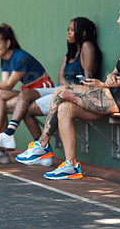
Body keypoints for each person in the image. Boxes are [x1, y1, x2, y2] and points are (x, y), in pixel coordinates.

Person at [17, 0, 120, 180]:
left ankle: (42, 143)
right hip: (109, 95)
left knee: (61, 91)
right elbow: (114, 74)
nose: (118, 20)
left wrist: (108, 84)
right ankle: (71, 165)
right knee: (64, 108)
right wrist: (109, 78)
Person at [13, 17, 102, 166]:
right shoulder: (69, 54)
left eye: (72, 30)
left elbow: (88, 77)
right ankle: (40, 149)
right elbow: (60, 78)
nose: (68, 33)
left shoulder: (87, 46)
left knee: (28, 109)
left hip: (80, 93)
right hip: (64, 90)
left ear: (84, 33)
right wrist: (67, 88)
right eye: (68, 29)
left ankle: (42, 148)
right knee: (26, 104)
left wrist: (69, 89)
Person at [0, 23, 55, 165]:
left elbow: (8, 85)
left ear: (8, 43)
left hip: (43, 92)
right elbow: (4, 89)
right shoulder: (4, 61)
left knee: (0, 100)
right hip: (27, 93)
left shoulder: (20, 57)